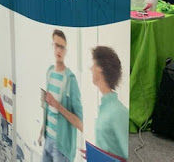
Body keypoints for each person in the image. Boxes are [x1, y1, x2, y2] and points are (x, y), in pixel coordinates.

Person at [38, 30, 83, 162]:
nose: (58, 50)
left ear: (66, 50)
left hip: (62, 148)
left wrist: (57, 105)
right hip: (47, 140)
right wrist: (42, 132)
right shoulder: (50, 72)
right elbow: (48, 109)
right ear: (52, 46)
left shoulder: (70, 79)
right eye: (56, 45)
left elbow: (80, 123)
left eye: (62, 47)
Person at [90, 46, 128, 160]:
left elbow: (127, 154)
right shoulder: (105, 107)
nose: (90, 68)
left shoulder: (118, 112)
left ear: (100, 68)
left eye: (93, 64)